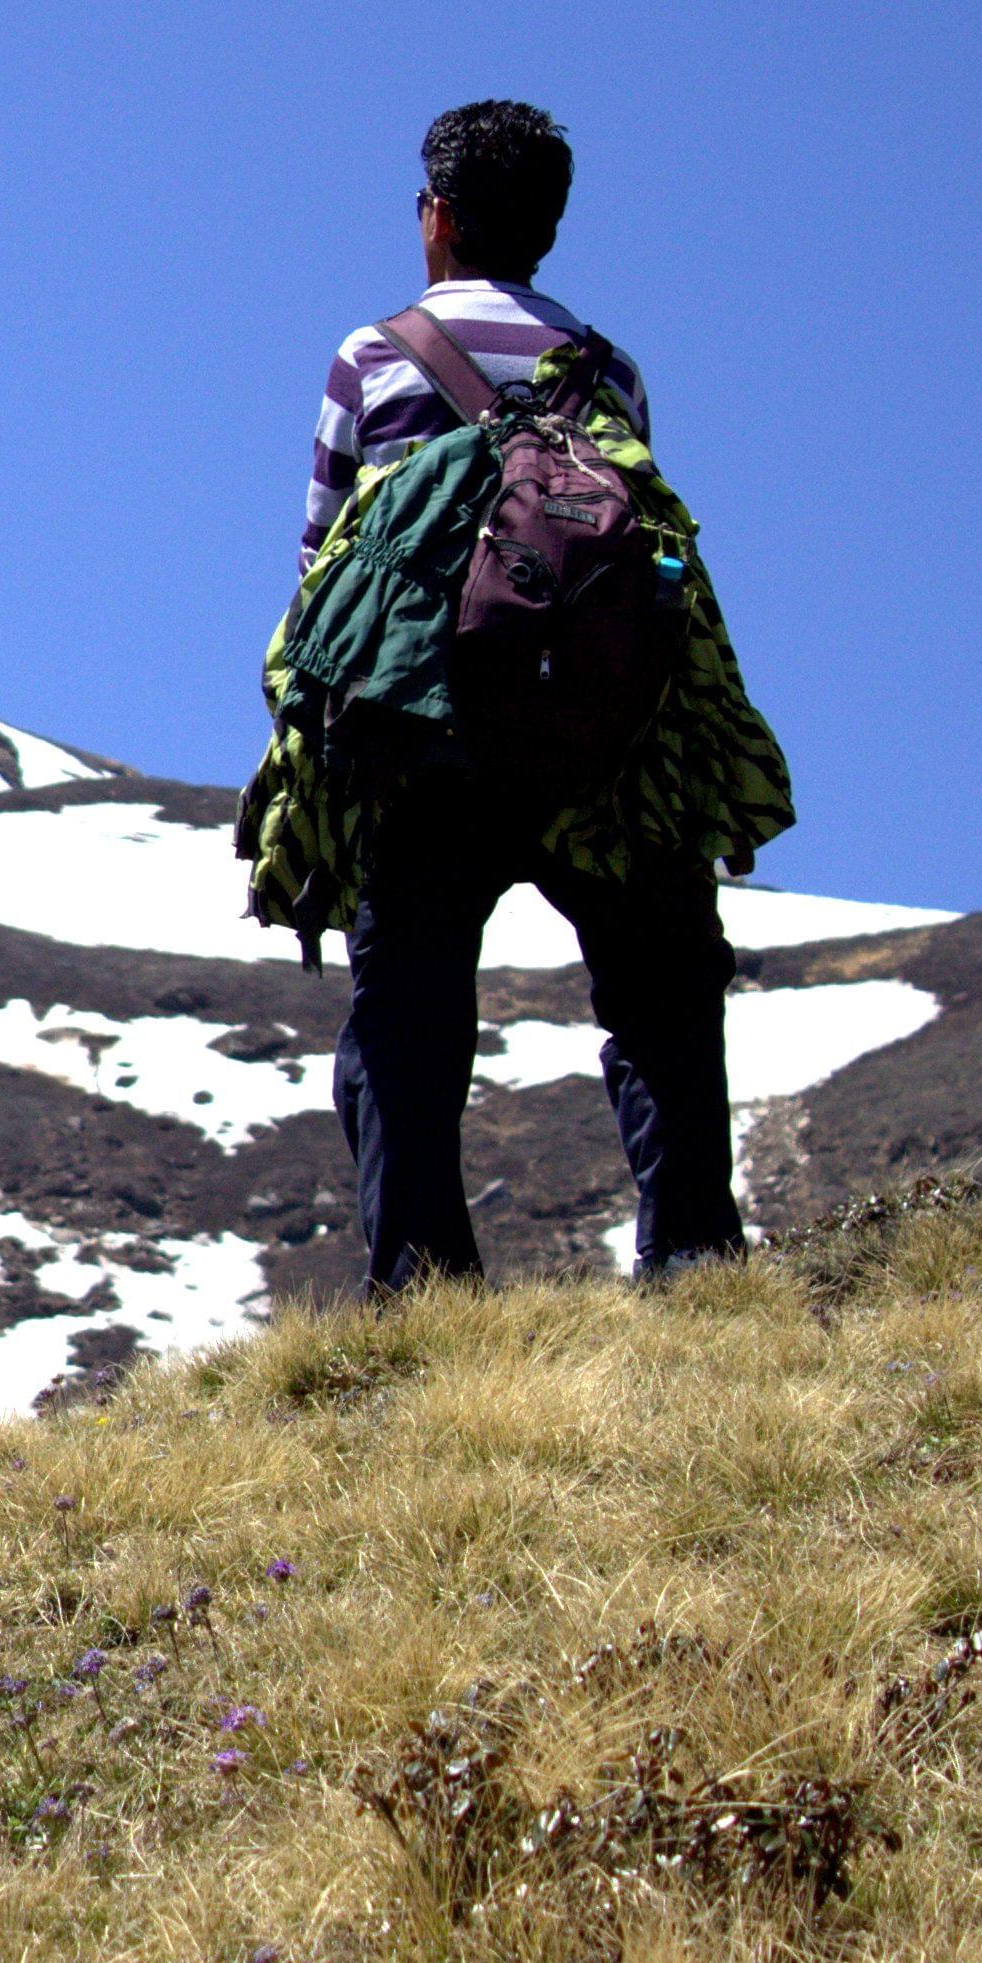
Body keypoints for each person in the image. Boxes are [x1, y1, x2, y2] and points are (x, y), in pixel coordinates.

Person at [297, 101, 748, 1291]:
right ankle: (696, 1261)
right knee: (662, 993)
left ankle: (425, 1291)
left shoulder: (374, 355)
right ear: (549, 227)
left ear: (435, 217)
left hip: (428, 736)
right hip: (604, 732)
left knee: (408, 1014)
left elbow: (324, 564)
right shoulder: (611, 373)